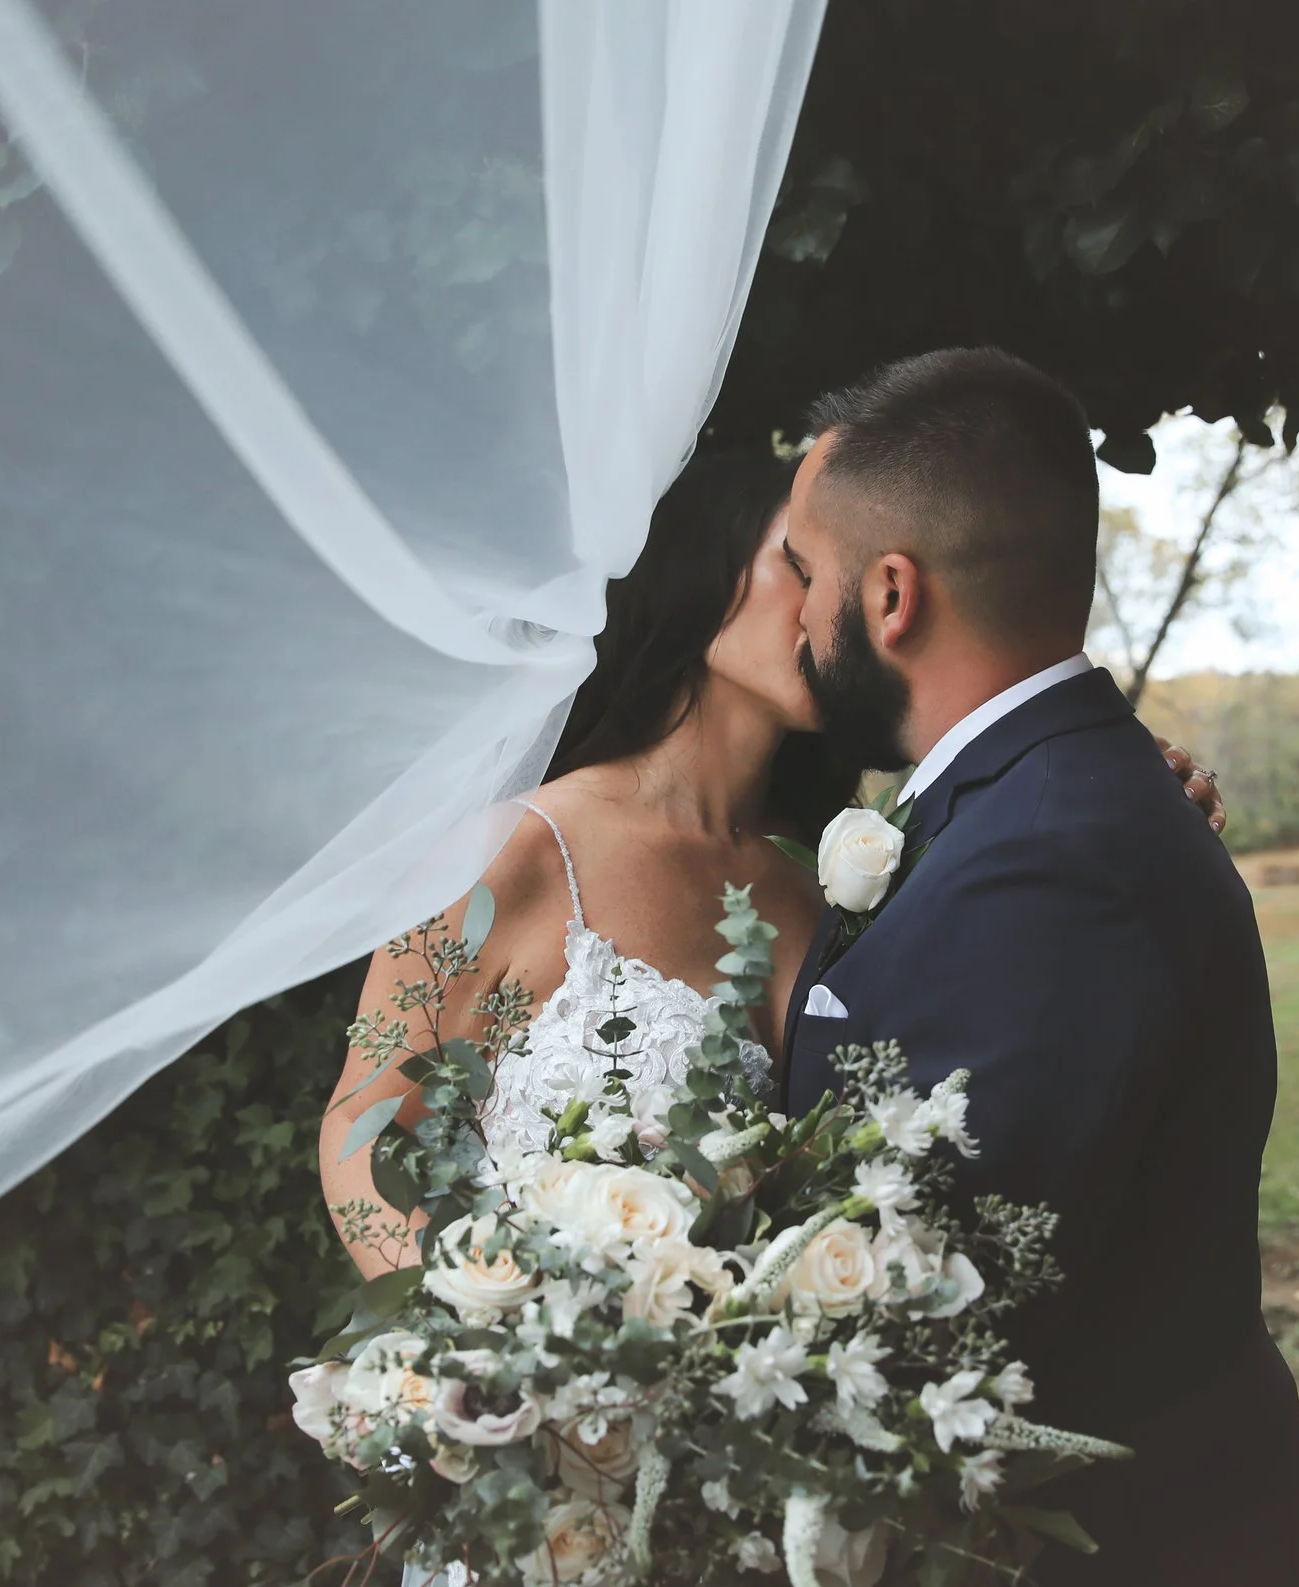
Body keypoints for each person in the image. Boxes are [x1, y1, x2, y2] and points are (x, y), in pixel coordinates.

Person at [316, 446, 1226, 1277]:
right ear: (698, 571)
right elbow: (365, 1125)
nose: (827, 603)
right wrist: (482, 1357)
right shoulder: (511, 852)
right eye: (797, 564)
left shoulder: (859, 859)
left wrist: (1124, 804)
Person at [780, 349, 1299, 1587]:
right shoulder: (1028, 806)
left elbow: (964, 1303)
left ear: (890, 594)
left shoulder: (1047, 859)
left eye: (808, 576)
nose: (798, 619)